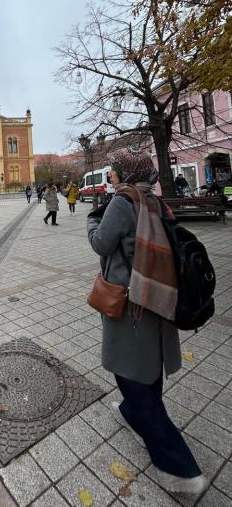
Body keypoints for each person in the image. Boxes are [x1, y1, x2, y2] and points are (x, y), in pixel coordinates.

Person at [87, 149, 207, 495]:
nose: (110, 173)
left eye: (114, 169)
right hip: (157, 295)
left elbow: (101, 243)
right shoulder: (154, 199)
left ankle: (180, 470)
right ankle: (130, 412)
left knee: (130, 374)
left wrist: (92, 221)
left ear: (126, 172)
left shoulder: (123, 200)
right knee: (147, 365)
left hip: (131, 301)